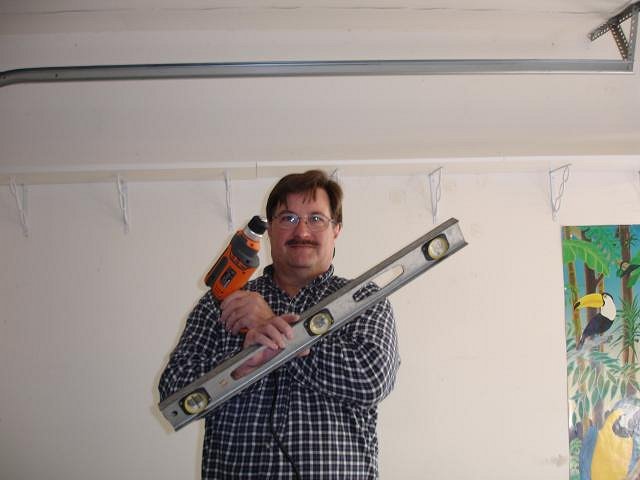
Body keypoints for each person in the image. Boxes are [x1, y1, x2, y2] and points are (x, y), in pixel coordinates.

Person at [159, 170, 400, 479]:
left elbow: (372, 379)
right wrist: (241, 366)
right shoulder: (224, 301)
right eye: (288, 218)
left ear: (336, 229)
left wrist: (275, 330)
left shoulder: (363, 299)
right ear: (270, 229)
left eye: (316, 219)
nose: (302, 231)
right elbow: (174, 393)